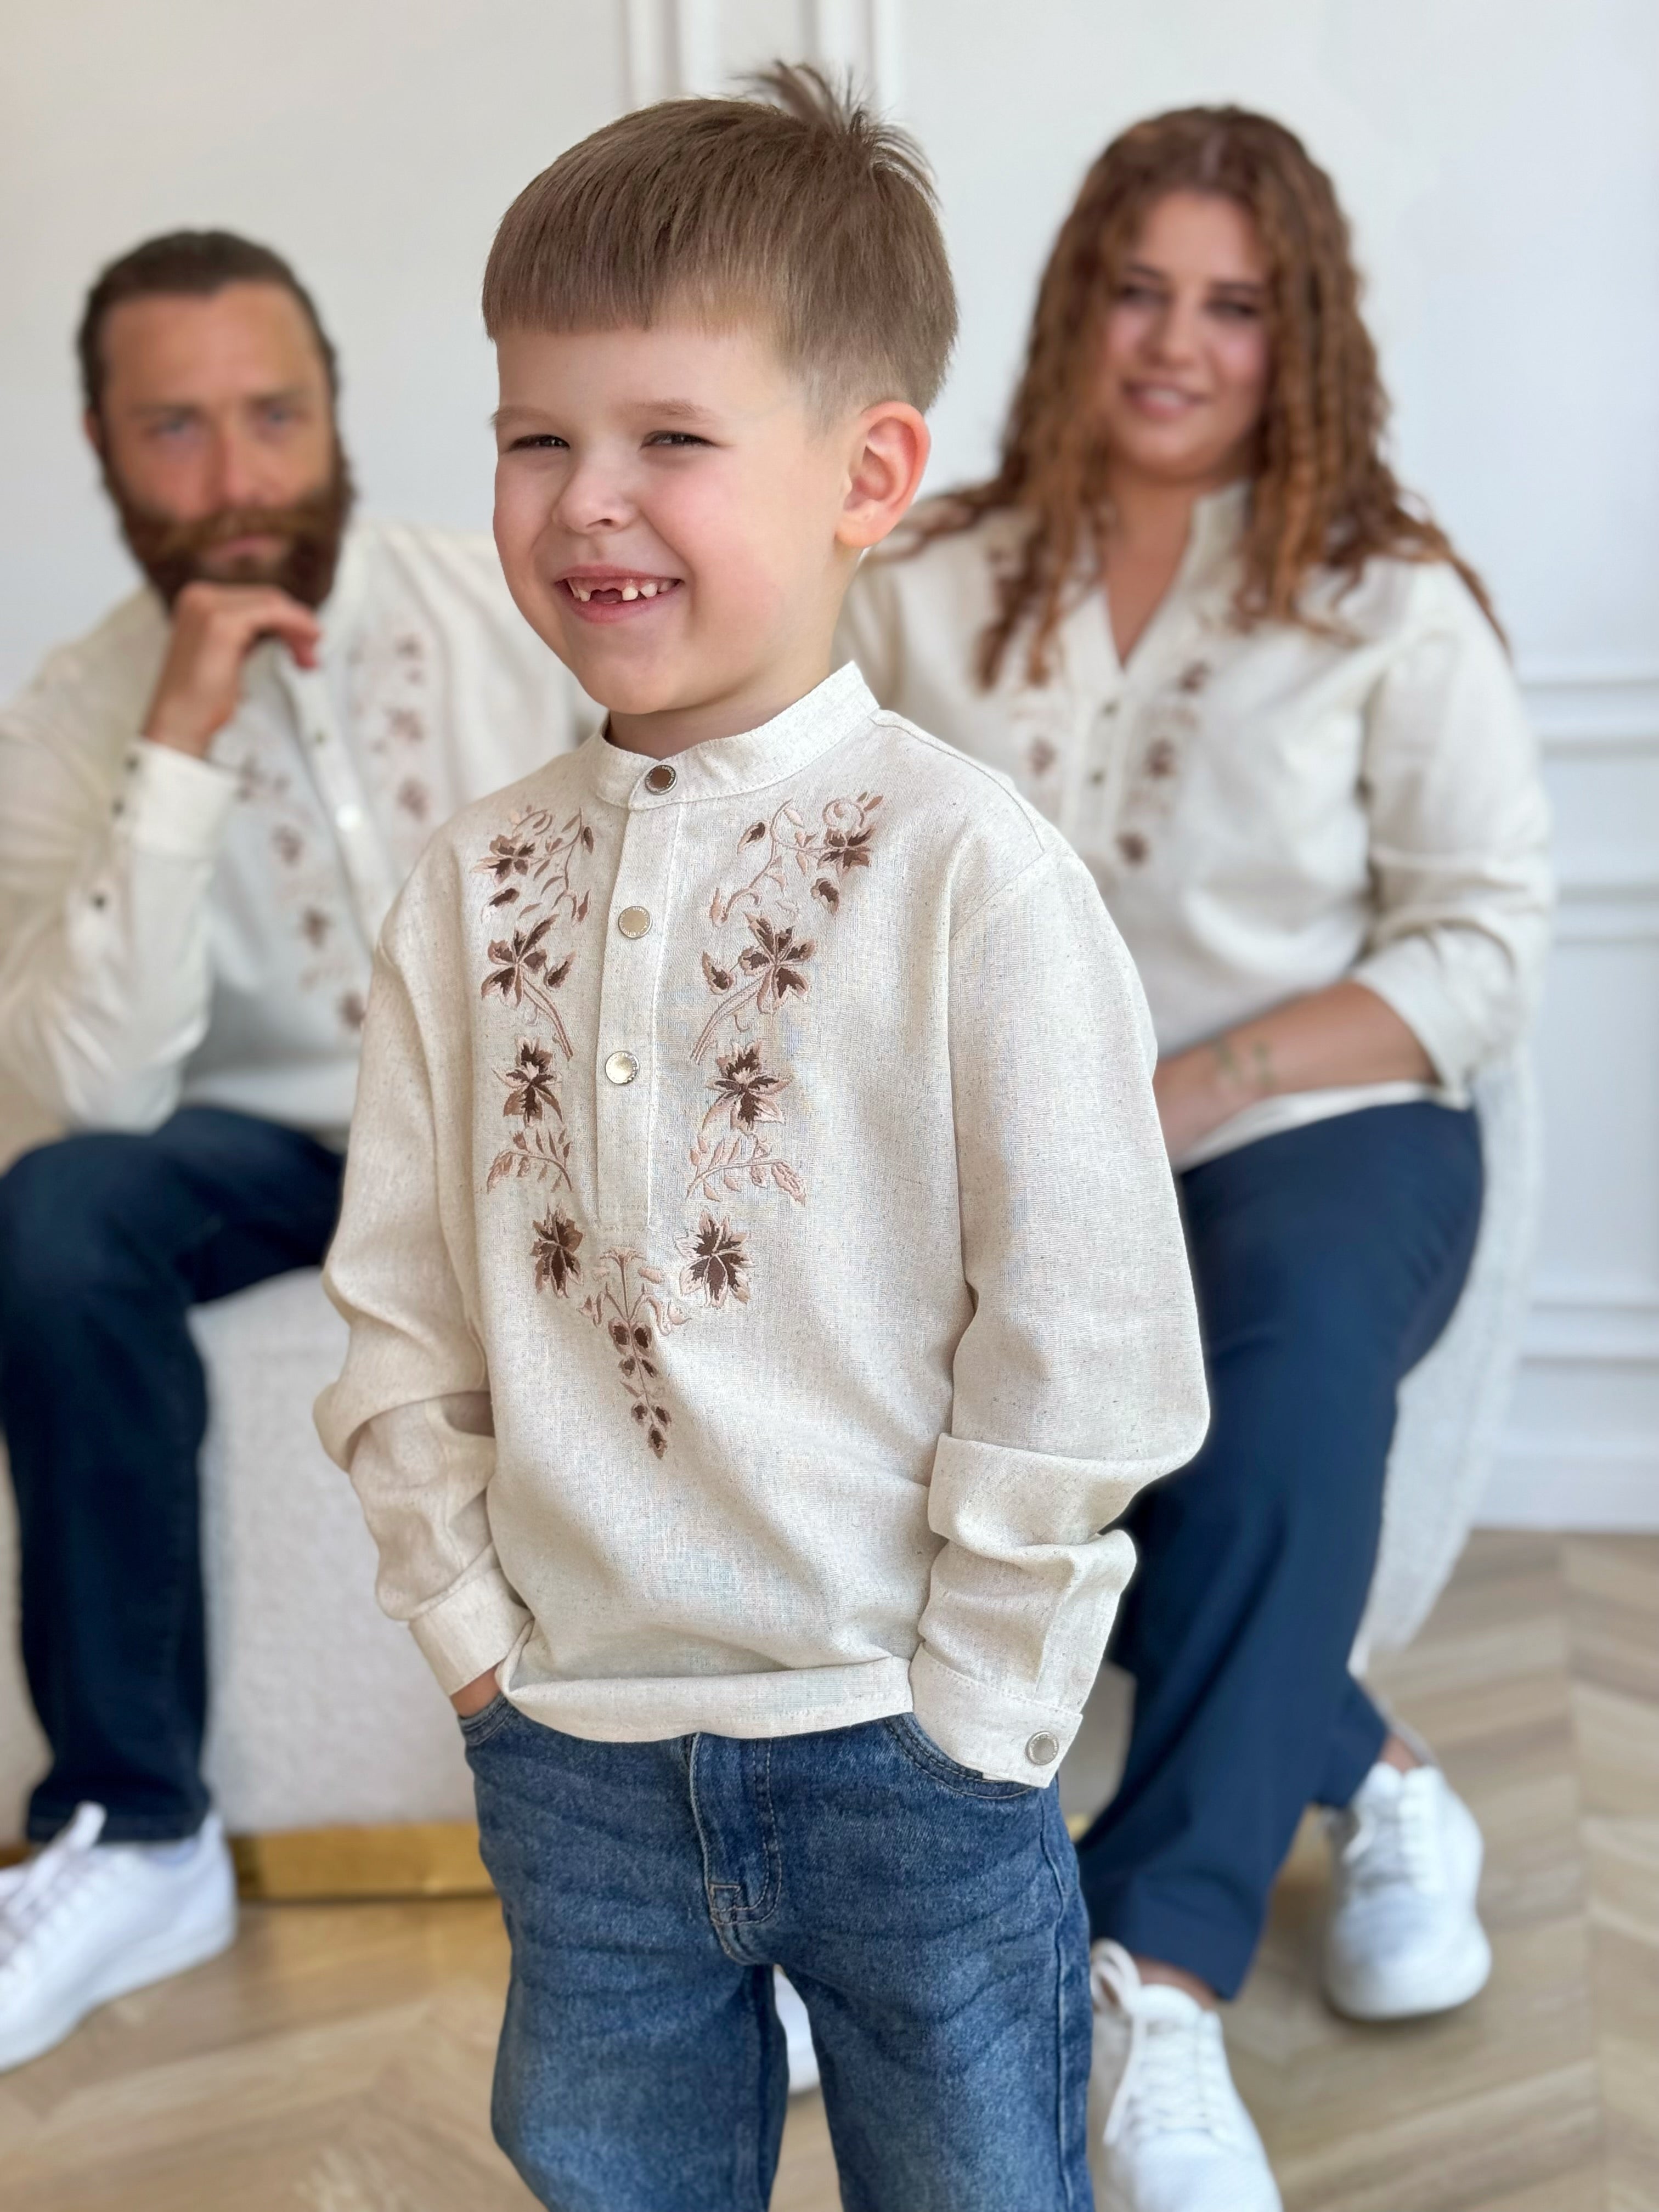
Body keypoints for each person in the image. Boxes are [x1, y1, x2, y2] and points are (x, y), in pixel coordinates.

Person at [317, 67, 1207, 2212]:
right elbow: (400, 1307)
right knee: (604, 2172)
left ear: (868, 474)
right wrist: (472, 1643)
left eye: (671, 440)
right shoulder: (470, 883)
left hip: (909, 1754)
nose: (586, 503)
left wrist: (980, 1708)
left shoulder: (971, 874)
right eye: (537, 438)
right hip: (573, 1750)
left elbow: (1090, 1333)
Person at [837, 105, 1553, 2212]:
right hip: (1007, 1159)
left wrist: (1206, 1080)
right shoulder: (931, 583)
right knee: (959, 1414)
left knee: (1273, 1383)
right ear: (1078, 306)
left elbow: (1483, 942)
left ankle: (1158, 1978)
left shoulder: (1388, 602)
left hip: (1326, 1134)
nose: (1175, 342)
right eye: (1139, 291)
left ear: (1297, 335)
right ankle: (1378, 1773)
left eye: (1233, 307)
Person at [0, 229, 591, 2072]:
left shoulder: (511, 608)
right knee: (56, 1217)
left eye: (273, 416)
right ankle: (135, 1831)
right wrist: (176, 746)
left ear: (335, 412)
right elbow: (93, 1089)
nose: (238, 478)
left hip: (530, 1118)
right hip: (271, 1147)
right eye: (175, 430)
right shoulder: (70, 720)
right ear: (104, 451)